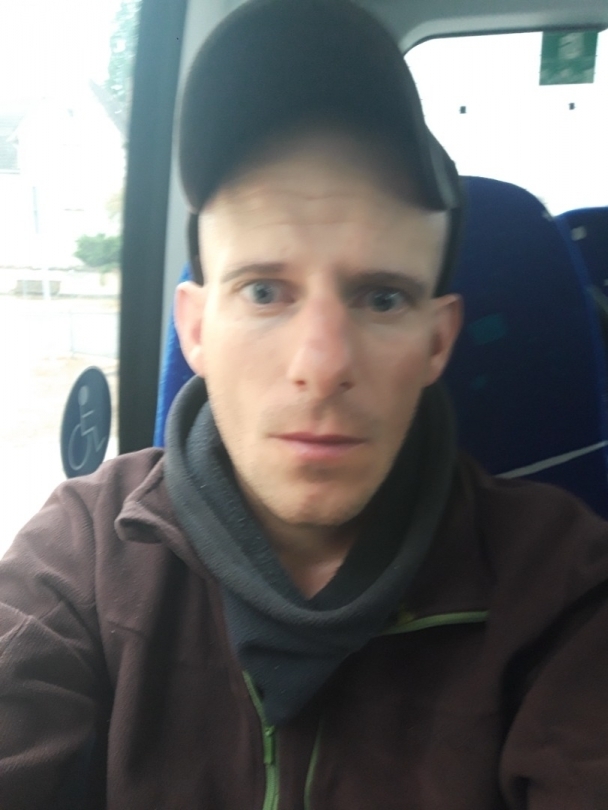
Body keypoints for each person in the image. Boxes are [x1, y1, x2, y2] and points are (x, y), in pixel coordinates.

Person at [2, 0, 608, 807]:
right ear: (196, 330)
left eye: (382, 298)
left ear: (438, 343)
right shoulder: (82, 552)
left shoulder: (565, 585)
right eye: (264, 290)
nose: (320, 368)